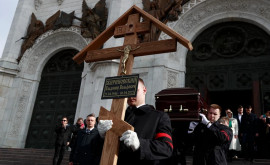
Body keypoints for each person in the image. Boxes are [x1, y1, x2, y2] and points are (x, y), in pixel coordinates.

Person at [97, 78, 173, 165]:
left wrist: (140, 144)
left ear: (144, 90)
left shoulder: (159, 116)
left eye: (134, 90)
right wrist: (101, 137)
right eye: (128, 92)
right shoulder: (119, 117)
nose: (130, 95)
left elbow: (166, 148)